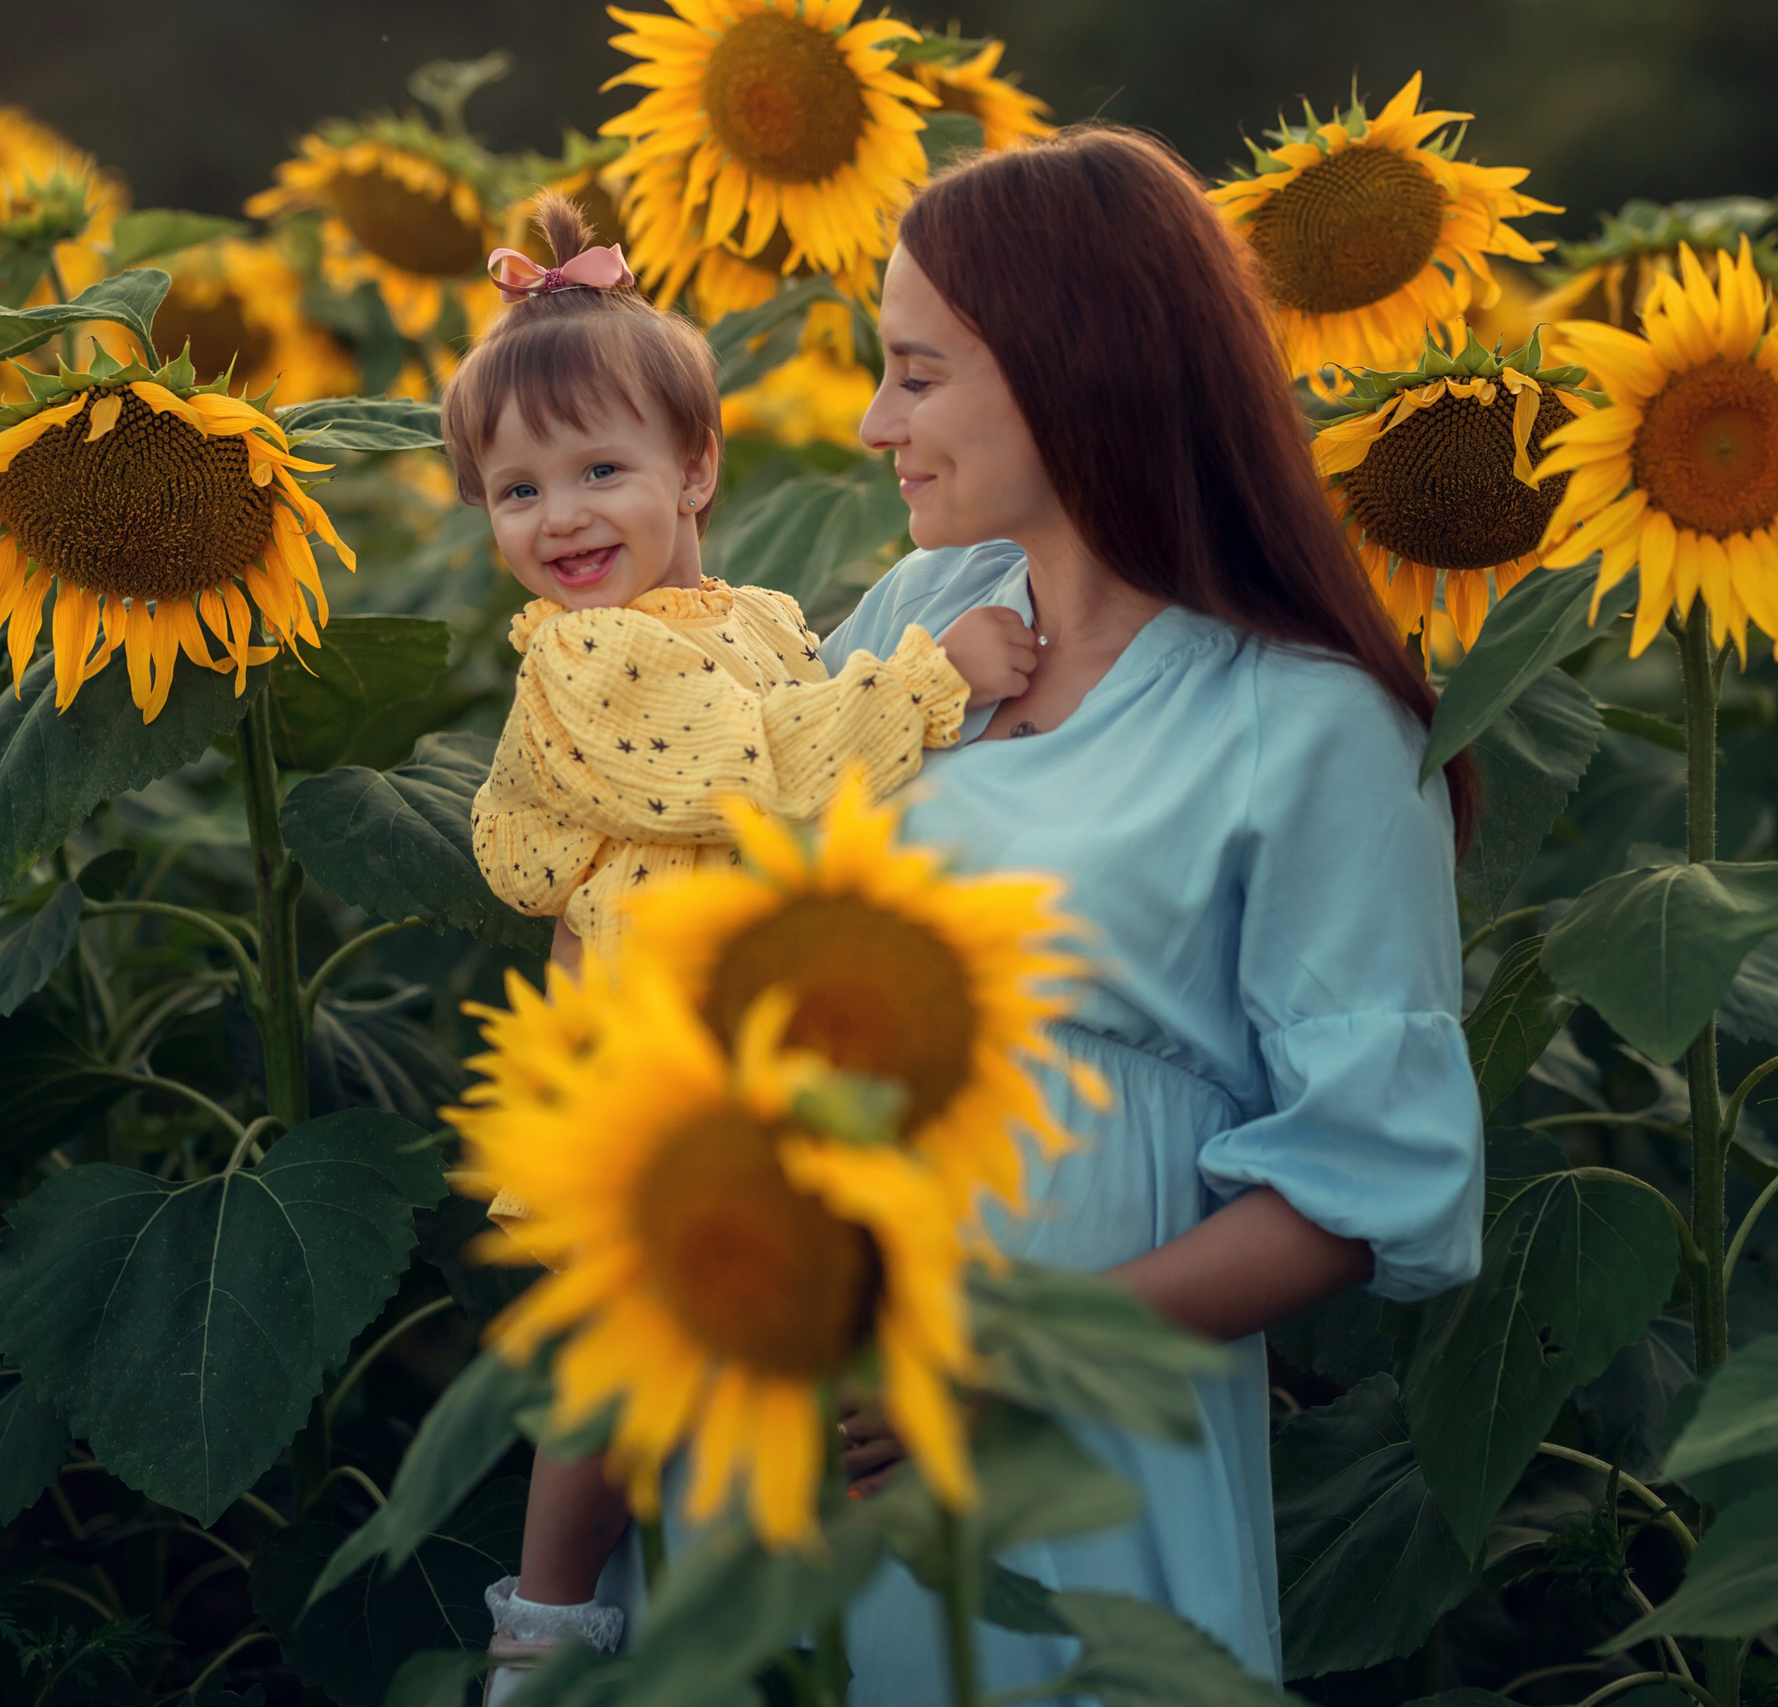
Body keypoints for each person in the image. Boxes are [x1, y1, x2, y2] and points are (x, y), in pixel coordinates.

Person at [818, 128, 1486, 1698]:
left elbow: (1360, 1181)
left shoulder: (1308, 722)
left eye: (917, 375)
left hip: (1072, 1441)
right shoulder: (922, 622)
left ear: (1073, 365)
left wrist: (998, 1352)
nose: (872, 423)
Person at [439, 191, 1045, 1691]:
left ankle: (814, 1586)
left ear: (698, 467)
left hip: (768, 1047)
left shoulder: (763, 624)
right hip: (658, 1079)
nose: (561, 518)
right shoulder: (587, 653)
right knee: (618, 1374)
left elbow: (815, 754)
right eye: (516, 494)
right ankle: (549, 1618)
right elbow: (758, 774)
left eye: (598, 470)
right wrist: (936, 681)